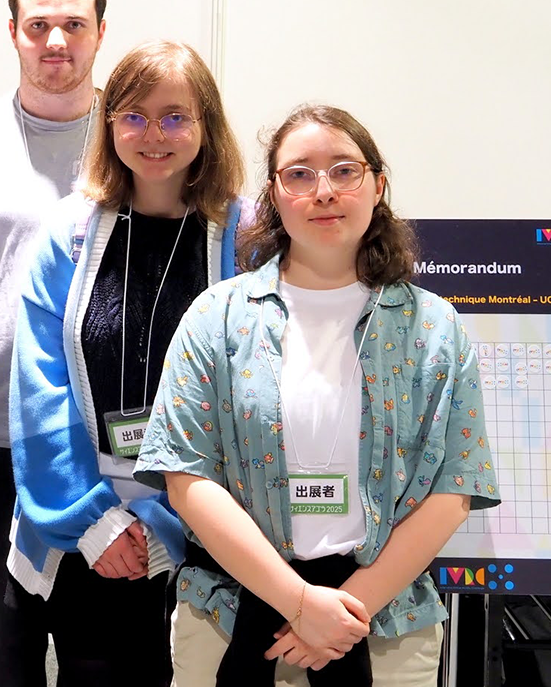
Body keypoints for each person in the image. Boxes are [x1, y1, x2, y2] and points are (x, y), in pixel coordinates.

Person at [134, 104, 501, 687]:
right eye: (299, 174)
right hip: (229, 619)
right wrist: (301, 604)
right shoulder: (215, 318)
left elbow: (456, 485)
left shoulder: (434, 327)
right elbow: (186, 478)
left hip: (386, 629)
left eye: (344, 171)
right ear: (274, 196)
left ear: (378, 186)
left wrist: (344, 610)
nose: (323, 190)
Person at [7, 40, 247, 685]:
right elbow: (38, 387)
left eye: (176, 116)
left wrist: (182, 517)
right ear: (108, 123)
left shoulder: (245, 239)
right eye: (134, 115)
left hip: (215, 533)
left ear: (207, 126)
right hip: (97, 535)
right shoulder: (69, 232)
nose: (154, 134)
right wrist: (96, 521)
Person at [0, 0, 107, 686]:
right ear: (12, 33)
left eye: (73, 25)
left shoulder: (141, 141)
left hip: (106, 462)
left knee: (103, 662)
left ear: (100, 32)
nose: (56, 43)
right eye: (39, 25)